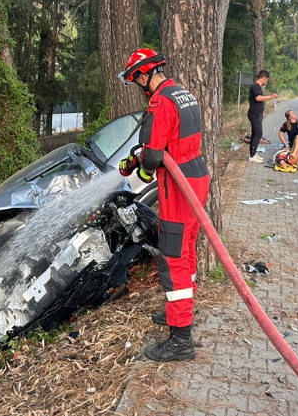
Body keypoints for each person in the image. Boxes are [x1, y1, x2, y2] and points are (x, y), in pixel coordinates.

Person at [117, 48, 209, 362]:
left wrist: (137, 165)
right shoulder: (185, 94)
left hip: (178, 186)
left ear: (144, 74)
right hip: (197, 177)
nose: (138, 86)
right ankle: (179, 311)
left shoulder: (160, 102)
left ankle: (180, 339)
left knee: (173, 258)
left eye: (136, 79)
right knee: (187, 248)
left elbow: (154, 156)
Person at [247, 70, 277, 163]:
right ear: (264, 78)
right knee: (258, 134)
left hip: (257, 114)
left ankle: (253, 153)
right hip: (254, 114)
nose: (266, 82)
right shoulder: (255, 86)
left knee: (255, 133)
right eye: (266, 80)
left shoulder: (257, 87)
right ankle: (252, 155)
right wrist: (271, 97)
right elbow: (258, 98)